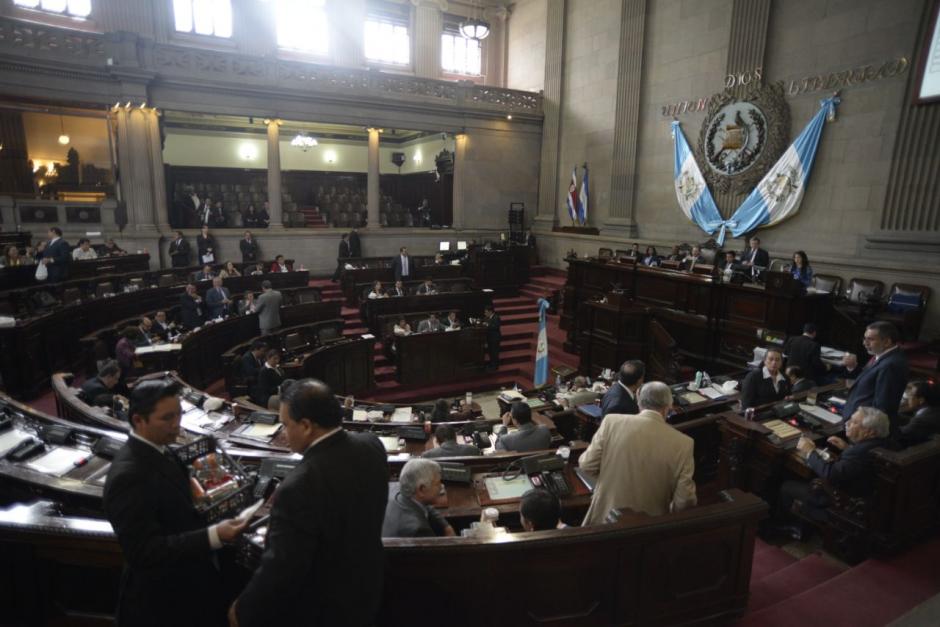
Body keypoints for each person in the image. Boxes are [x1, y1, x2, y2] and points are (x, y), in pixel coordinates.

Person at [231, 379, 388, 627]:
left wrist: (242, 610)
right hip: (368, 587)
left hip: (323, 609)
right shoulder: (372, 445)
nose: (283, 433)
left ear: (306, 426)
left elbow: (282, 569)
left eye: (285, 425)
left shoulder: (298, 486)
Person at [104, 380, 247, 627]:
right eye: (167, 418)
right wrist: (214, 535)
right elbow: (145, 553)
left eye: (179, 414)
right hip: (164, 605)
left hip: (189, 586)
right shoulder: (128, 475)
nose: (176, 424)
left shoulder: (160, 448)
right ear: (139, 420)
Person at [580, 382, 696, 524]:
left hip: (605, 516)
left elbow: (587, 465)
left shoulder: (611, 422)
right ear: (668, 407)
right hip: (650, 526)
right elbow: (684, 500)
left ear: (639, 402)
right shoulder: (684, 443)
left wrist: (610, 479)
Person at [780, 407, 891, 527]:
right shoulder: (883, 443)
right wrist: (847, 448)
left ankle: (788, 527)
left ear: (869, 432)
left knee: (787, 486)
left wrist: (810, 451)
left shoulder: (858, 453)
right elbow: (861, 461)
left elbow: (830, 475)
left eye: (854, 422)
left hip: (846, 503)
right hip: (871, 498)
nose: (847, 423)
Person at [837, 321, 909, 439]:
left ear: (886, 342)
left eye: (870, 339)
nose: (864, 343)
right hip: (856, 423)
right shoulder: (881, 355)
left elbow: (882, 405)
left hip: (864, 429)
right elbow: (868, 379)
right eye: (865, 338)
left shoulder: (891, 365)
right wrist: (853, 367)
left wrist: (864, 431)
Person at [382, 458, 455, 538]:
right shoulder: (419, 530)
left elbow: (427, 506)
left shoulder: (397, 489)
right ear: (421, 490)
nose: (442, 486)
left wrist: (446, 527)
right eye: (438, 483)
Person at [898, 381, 940, 447]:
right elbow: (911, 420)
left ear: (921, 400)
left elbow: (901, 433)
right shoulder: (934, 410)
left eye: (911, 395)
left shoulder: (922, 420)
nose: (908, 397)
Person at [484, 305, 501, 371]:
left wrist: (487, 325)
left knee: (494, 352)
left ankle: (495, 366)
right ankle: (491, 364)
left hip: (495, 338)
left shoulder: (496, 317)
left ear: (490, 311)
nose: (485, 313)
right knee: (490, 352)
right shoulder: (487, 318)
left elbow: (496, 327)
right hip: (489, 338)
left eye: (486, 312)